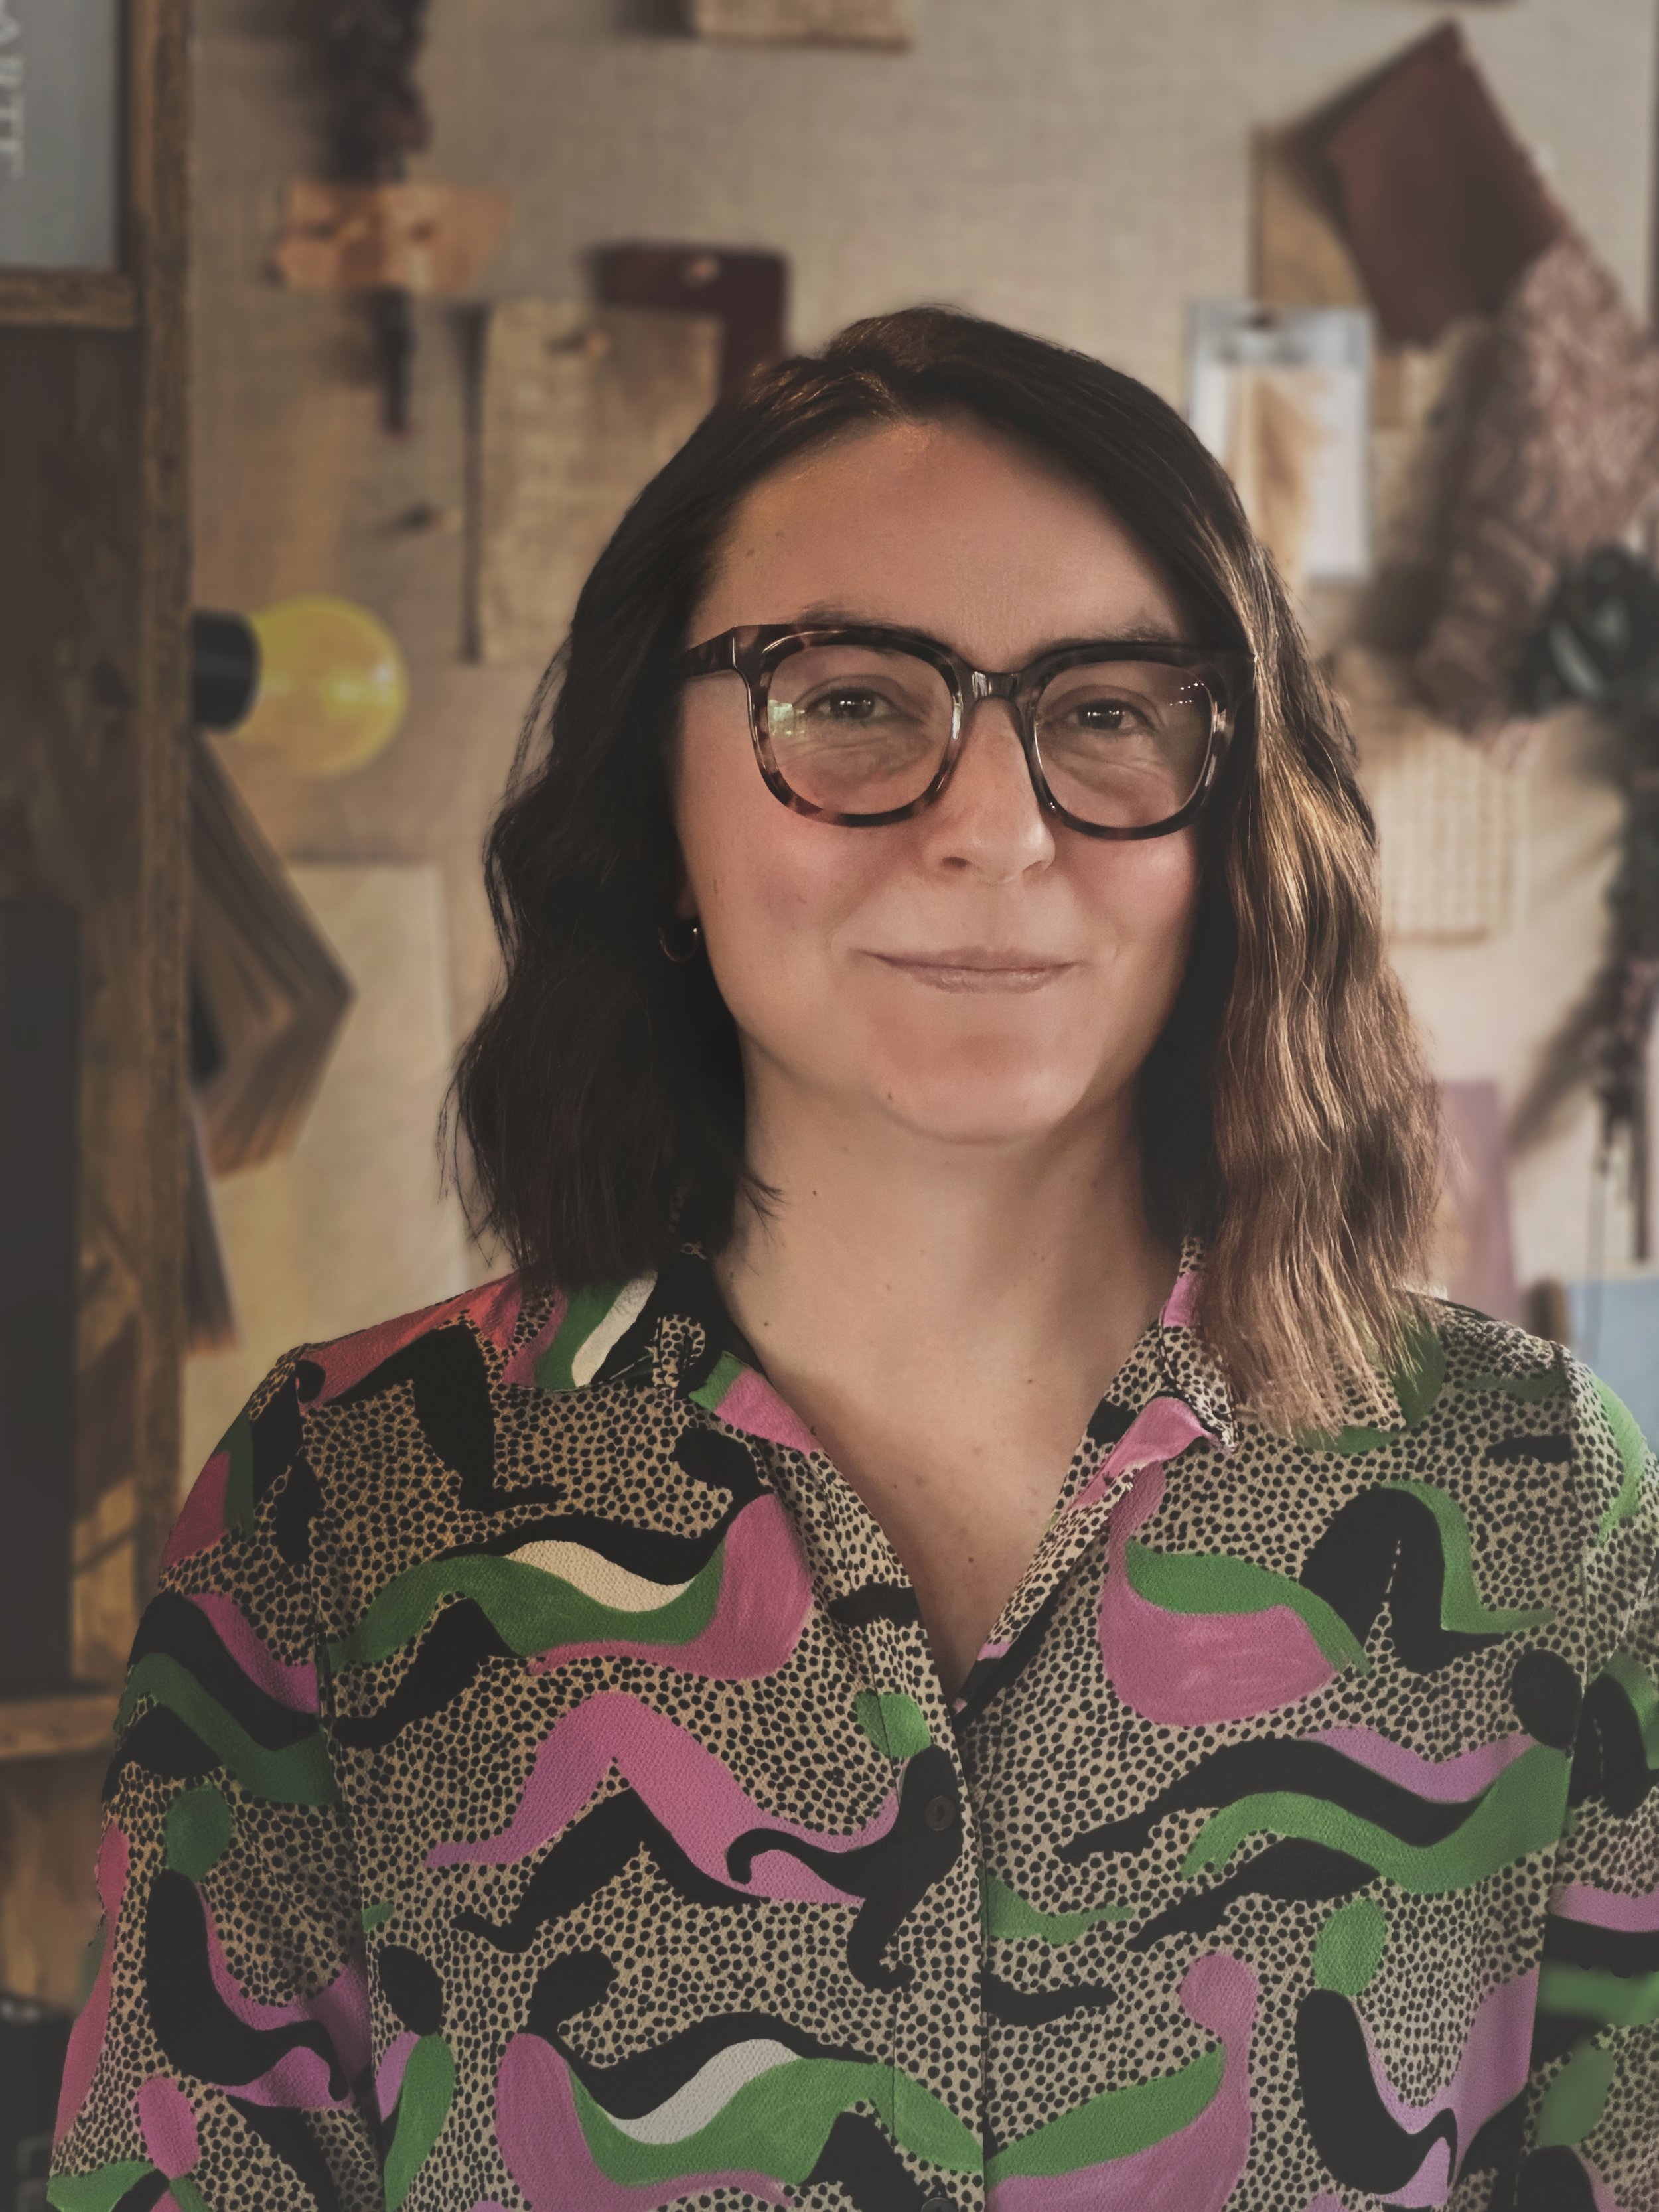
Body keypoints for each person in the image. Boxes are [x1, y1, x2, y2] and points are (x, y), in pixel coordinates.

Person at [51, 310, 1657, 2212]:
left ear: (1230, 819)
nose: (992, 828)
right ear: (657, 803)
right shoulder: (345, 1507)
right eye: (849, 702)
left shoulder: (1531, 1498)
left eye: (1110, 711)